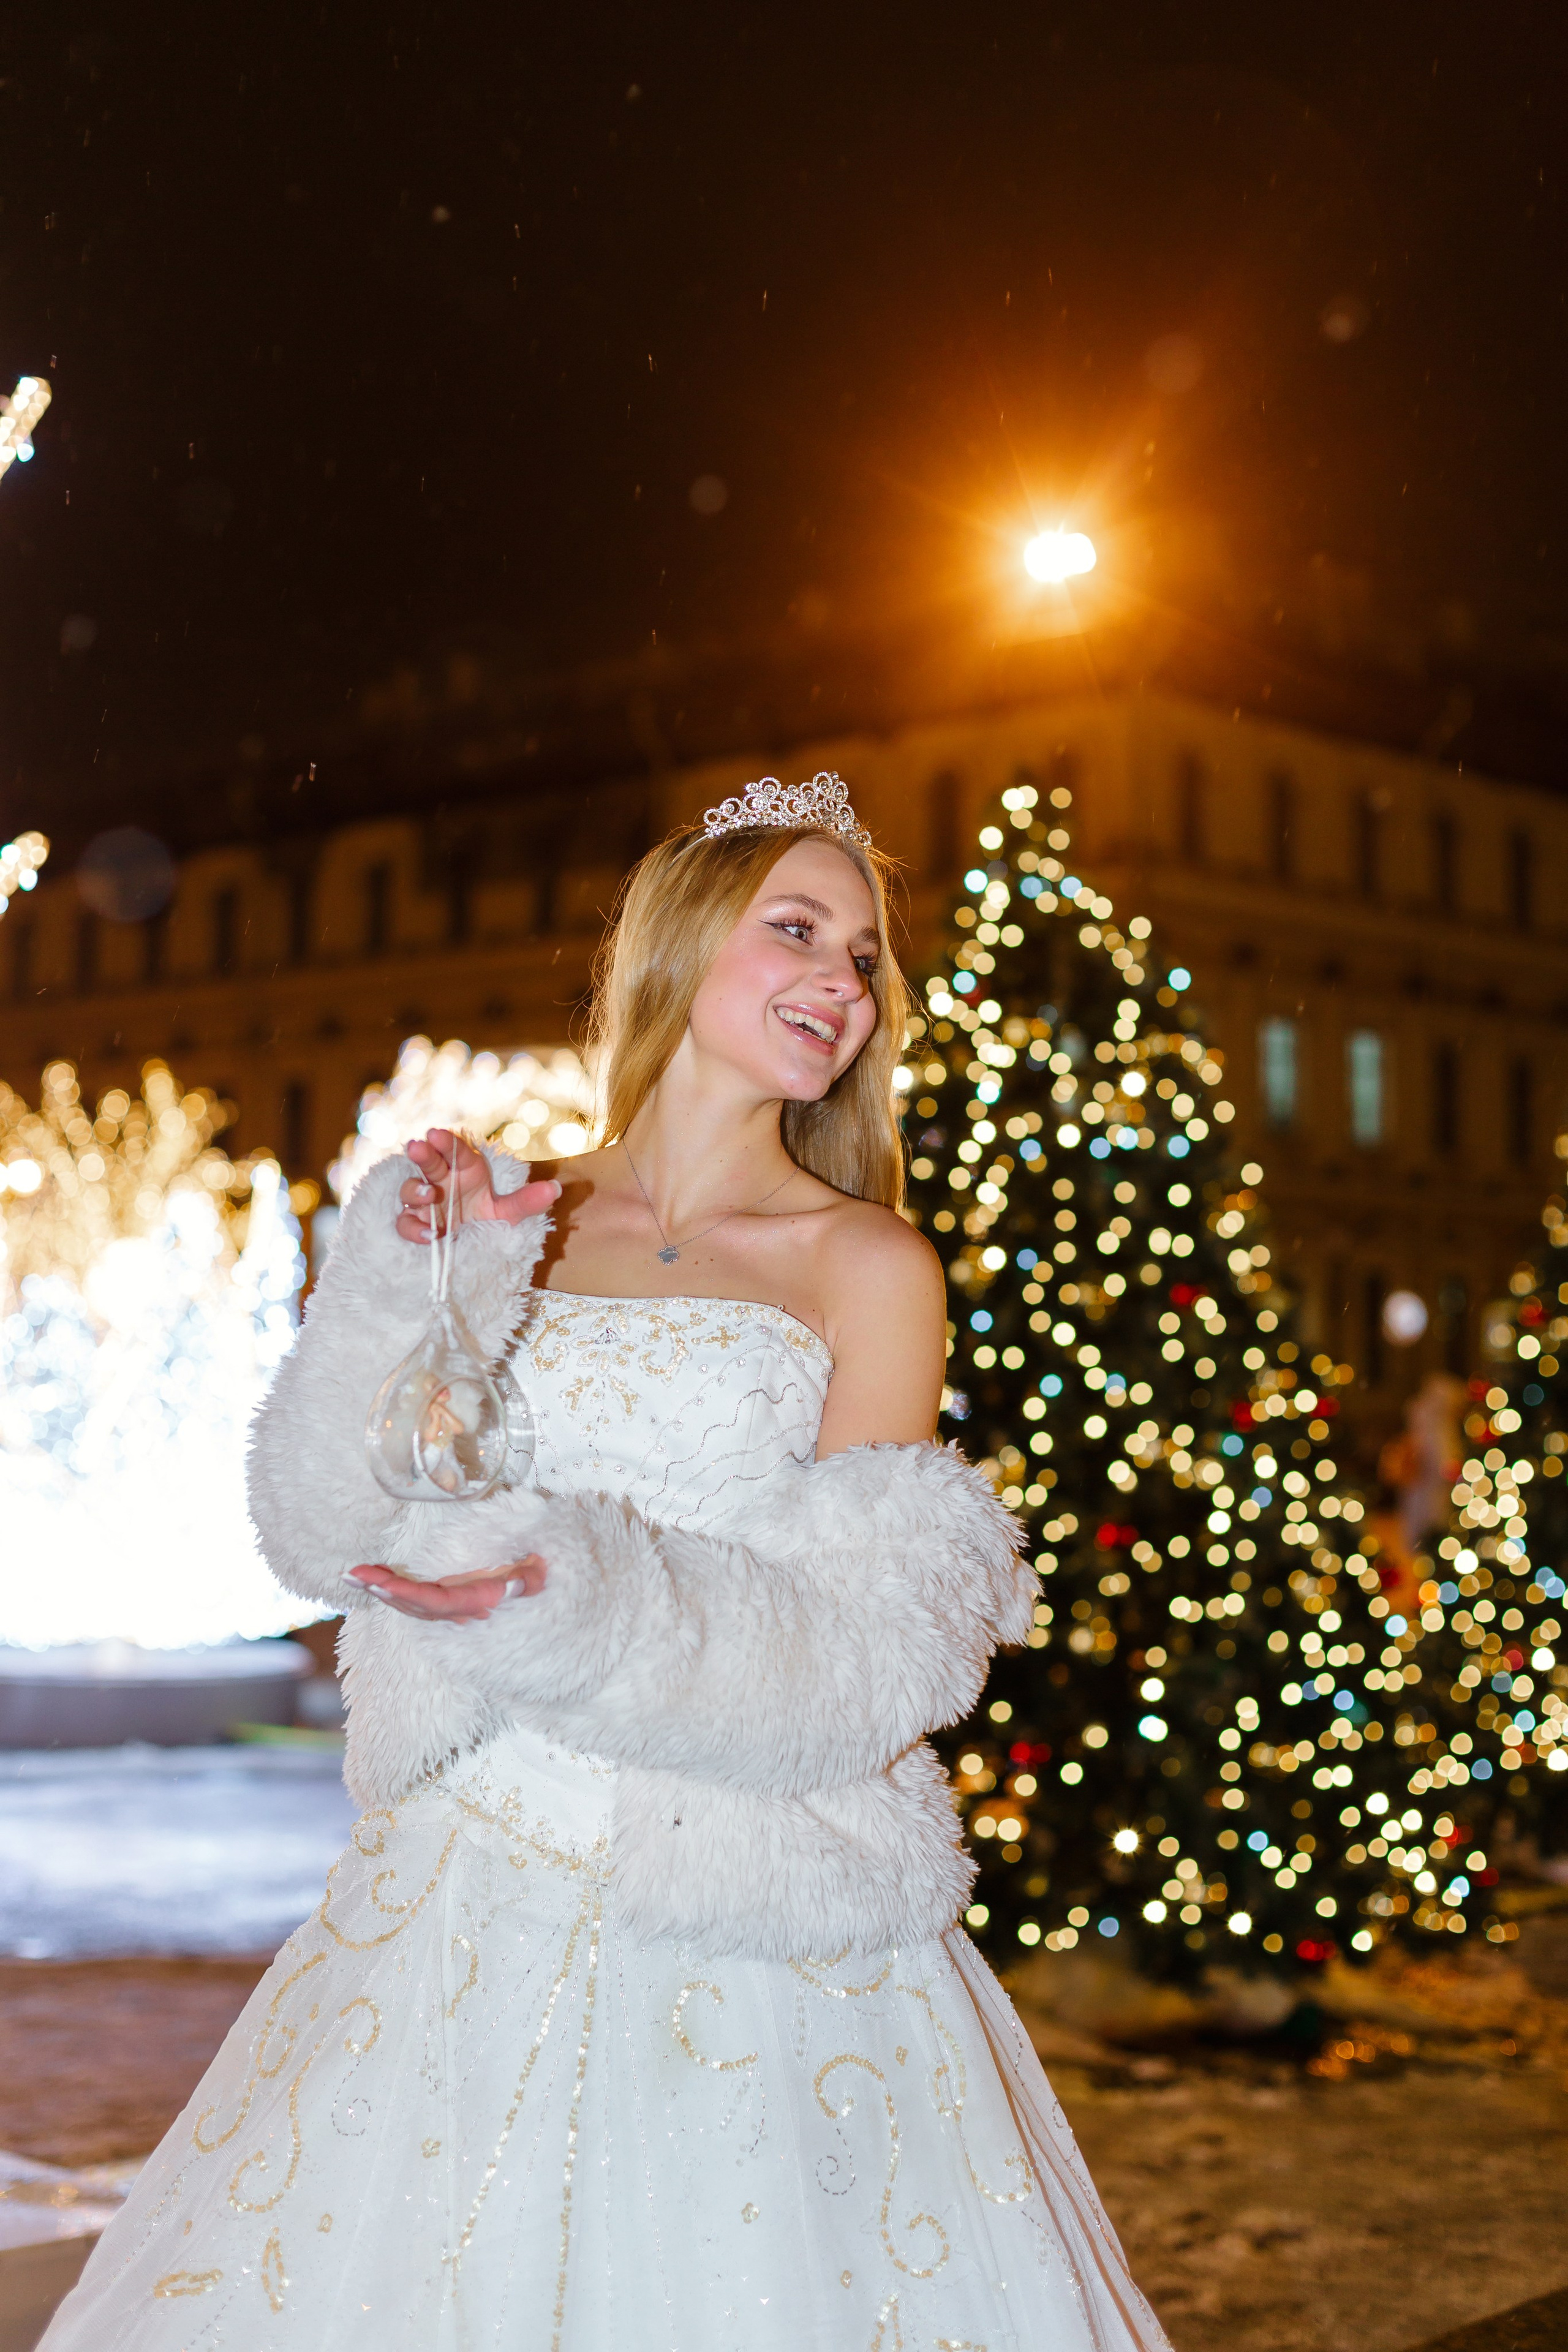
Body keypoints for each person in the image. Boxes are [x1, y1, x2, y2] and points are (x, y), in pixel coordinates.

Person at [43, 774, 1170, 2351]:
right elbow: (322, 1526)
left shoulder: (866, 1264)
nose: (842, 984)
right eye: (799, 930)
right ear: (684, 946)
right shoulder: (516, 1212)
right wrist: (390, 1290)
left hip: (741, 1907)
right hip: (457, 1879)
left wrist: (587, 1604)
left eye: (864, 958)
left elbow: (875, 1654)